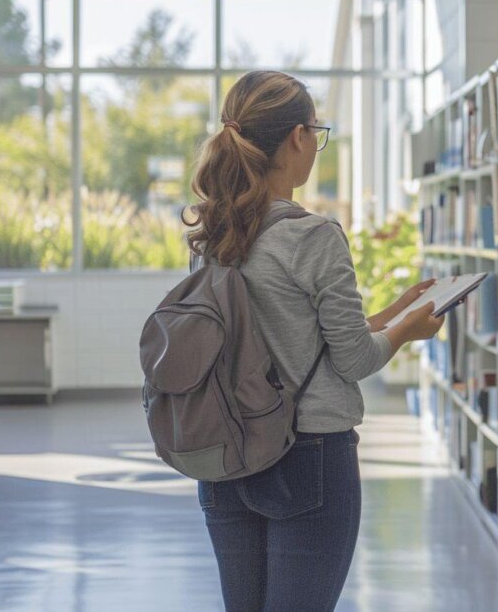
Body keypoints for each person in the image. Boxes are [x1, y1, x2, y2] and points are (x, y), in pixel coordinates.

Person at [183, 70, 443, 611]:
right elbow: (352, 359)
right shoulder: (312, 235)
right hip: (308, 453)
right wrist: (408, 333)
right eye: (316, 132)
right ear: (298, 137)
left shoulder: (215, 232)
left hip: (227, 452)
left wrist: (392, 315)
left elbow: (295, 339)